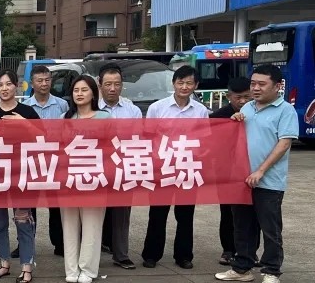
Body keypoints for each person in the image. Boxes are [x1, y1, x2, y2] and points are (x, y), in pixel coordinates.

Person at [217, 64, 299, 283]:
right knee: (242, 226)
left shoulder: (285, 110)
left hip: (269, 182)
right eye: (253, 83)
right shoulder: (248, 107)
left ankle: (271, 271)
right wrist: (235, 121)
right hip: (242, 180)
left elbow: (283, 144)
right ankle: (242, 267)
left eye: (262, 84)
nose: (255, 88)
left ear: (277, 86)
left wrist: (261, 171)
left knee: (270, 229)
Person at [140, 65, 209, 269]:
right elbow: (148, 137)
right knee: (158, 213)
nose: (184, 87)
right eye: (181, 82)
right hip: (162, 168)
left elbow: (204, 139)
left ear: (196, 85)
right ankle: (151, 255)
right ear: (173, 84)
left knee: (186, 215)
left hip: (188, 168)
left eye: (189, 83)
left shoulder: (200, 110)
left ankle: (184, 256)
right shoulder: (157, 108)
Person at [0, 70, 40, 283]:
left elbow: (44, 137)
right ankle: (4, 263)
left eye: (8, 84)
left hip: (22, 174)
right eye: (0, 84)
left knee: (23, 221)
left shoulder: (28, 112)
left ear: (16, 85)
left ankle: (26, 267)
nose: (4, 88)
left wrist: (25, 123)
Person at [60, 76, 111, 283]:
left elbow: (112, 147)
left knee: (92, 226)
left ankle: (88, 269)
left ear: (93, 93)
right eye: (76, 90)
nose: (79, 94)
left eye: (84, 90)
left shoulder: (105, 118)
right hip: (69, 179)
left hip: (95, 179)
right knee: (69, 226)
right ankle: (71, 269)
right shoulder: (65, 118)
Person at [97, 63, 143, 270]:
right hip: (96, 167)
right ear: (100, 85)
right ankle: (91, 255)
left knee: (121, 214)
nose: (112, 88)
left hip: (122, 168)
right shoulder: (91, 107)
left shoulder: (132, 110)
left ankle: (121, 254)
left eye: (117, 84)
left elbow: (137, 140)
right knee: (93, 213)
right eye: (108, 84)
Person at [22, 65, 70, 258]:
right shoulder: (25, 107)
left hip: (55, 162)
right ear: (32, 83)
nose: (44, 84)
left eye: (47, 80)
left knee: (56, 205)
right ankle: (26, 243)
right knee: (28, 206)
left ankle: (60, 243)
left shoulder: (62, 105)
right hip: (31, 162)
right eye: (39, 80)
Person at [210, 77, 257, 266]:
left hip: (253, 170)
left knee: (253, 213)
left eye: (247, 97)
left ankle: (251, 251)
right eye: (238, 97)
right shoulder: (217, 117)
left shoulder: (257, 113)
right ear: (229, 96)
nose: (243, 101)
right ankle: (228, 250)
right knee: (228, 212)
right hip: (226, 172)